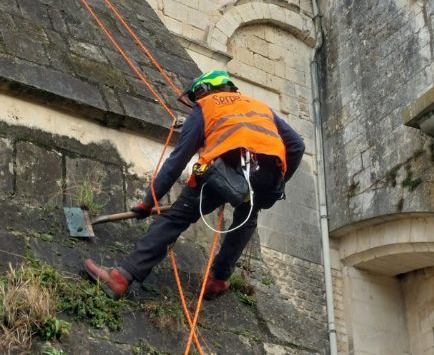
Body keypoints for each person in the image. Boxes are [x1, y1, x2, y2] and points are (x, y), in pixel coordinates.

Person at [84, 70, 305, 299]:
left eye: (197, 94)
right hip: (268, 174)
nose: (196, 100)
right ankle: (218, 280)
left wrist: (148, 201)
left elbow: (177, 161)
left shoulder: (206, 107)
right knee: (248, 216)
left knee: (176, 217)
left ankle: (120, 278)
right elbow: (297, 145)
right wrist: (278, 182)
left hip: (224, 170)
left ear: (206, 90)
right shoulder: (260, 107)